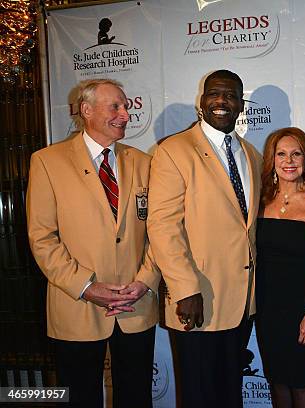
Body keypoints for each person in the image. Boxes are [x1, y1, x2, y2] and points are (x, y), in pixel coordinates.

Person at [26, 78, 160, 408]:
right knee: (80, 397)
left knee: (136, 396)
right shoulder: (47, 162)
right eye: (116, 106)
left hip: (135, 304)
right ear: (86, 110)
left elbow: (161, 232)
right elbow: (42, 238)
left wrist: (145, 281)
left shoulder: (145, 163)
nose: (125, 114)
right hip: (78, 306)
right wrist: (87, 287)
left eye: (126, 106)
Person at [147, 69, 262, 407]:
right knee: (198, 396)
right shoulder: (174, 151)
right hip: (197, 300)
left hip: (242, 303)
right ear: (202, 101)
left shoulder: (251, 154)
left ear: (241, 104)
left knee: (230, 394)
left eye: (230, 95)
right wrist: (184, 289)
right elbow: (163, 226)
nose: (221, 101)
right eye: (214, 93)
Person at [256, 127, 305, 407]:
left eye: (296, 154)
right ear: (272, 160)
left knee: (301, 382)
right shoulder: (261, 201)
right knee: (277, 381)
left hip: (302, 308)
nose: (289, 161)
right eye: (281, 154)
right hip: (266, 310)